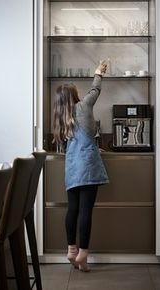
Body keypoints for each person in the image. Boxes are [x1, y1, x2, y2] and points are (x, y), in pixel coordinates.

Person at [52, 60, 109, 272]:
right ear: (74, 96)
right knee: (86, 211)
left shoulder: (61, 117)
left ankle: (71, 250)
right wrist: (98, 72)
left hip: (72, 169)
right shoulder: (83, 107)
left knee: (72, 209)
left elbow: (71, 146)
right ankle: (83, 254)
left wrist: (94, 148)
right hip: (88, 169)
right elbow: (95, 90)